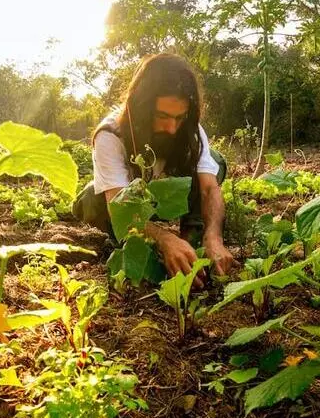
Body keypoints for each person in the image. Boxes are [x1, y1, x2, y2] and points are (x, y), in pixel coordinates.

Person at [72, 53, 235, 284]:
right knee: (92, 199)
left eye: (179, 117)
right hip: (132, 202)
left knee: (215, 162)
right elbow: (119, 208)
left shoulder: (191, 131)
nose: (171, 127)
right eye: (162, 116)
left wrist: (215, 237)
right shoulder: (111, 134)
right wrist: (164, 239)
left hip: (170, 197)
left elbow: (209, 189)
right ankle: (142, 242)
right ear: (142, 107)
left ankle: (192, 236)